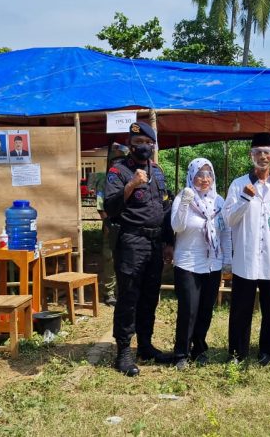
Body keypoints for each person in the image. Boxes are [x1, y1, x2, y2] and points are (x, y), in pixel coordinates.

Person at [104, 121, 174, 376]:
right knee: (129, 298)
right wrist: (131, 185)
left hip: (155, 244)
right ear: (130, 146)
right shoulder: (118, 171)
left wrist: (168, 243)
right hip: (132, 243)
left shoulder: (158, 171)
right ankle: (123, 351)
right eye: (138, 144)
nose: (142, 147)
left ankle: (145, 346)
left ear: (152, 145)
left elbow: (165, 210)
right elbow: (110, 208)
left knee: (149, 297)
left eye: (147, 143)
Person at [223, 132, 270, 366]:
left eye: (266, 152)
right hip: (245, 257)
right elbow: (228, 220)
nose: (262, 157)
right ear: (250, 155)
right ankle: (237, 351)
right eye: (257, 153)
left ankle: (268, 350)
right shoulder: (238, 184)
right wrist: (245, 198)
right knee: (241, 308)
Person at [170, 158, 232, 370]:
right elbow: (177, 227)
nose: (204, 179)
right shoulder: (183, 197)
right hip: (188, 263)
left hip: (212, 264)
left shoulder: (219, 201)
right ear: (191, 176)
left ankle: (199, 349)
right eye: (199, 174)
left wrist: (227, 260)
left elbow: (225, 232)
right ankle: (181, 353)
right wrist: (186, 202)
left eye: (208, 174)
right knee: (189, 310)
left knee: (205, 310)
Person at [92, 142, 129, 306]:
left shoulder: (129, 176)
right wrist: (107, 224)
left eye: (122, 160)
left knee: (126, 260)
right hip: (111, 224)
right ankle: (109, 293)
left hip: (128, 224)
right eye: (116, 160)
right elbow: (101, 205)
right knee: (110, 260)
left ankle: (124, 291)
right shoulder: (105, 179)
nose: (118, 163)